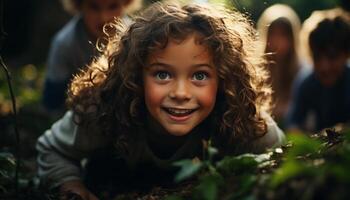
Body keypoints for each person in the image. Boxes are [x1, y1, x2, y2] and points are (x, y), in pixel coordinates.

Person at [36, 3, 285, 199]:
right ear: (135, 77)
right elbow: (52, 149)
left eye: (199, 75)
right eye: (162, 74)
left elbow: (282, 155)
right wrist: (71, 185)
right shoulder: (105, 108)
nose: (180, 92)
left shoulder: (239, 117)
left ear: (223, 81)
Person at [42, 0, 140, 113]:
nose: (103, 17)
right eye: (94, 7)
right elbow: (53, 101)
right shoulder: (64, 44)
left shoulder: (137, 38)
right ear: (79, 6)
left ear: (126, 4)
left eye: (113, 6)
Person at [286, 16, 350, 133]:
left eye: (332, 57)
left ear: (346, 54)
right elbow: (293, 124)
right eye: (317, 58)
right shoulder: (305, 82)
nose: (324, 66)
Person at [257, 4, 301, 127]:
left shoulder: (302, 71)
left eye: (283, 35)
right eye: (273, 34)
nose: (277, 41)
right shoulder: (256, 70)